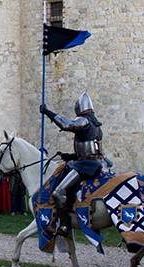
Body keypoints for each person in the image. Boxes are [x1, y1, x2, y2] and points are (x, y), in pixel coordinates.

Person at [40, 91, 106, 237]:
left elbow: (66, 124)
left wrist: (47, 112)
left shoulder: (84, 121)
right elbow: (91, 149)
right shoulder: (96, 126)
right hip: (92, 162)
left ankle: (64, 225)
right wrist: (70, 156)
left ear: (80, 109)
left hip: (86, 166)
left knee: (58, 192)